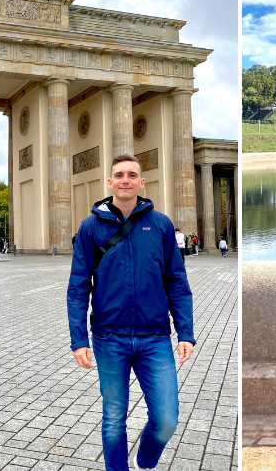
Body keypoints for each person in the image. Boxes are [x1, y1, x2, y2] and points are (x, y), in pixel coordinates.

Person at [67, 155, 195, 471]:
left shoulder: (161, 225)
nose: (126, 179)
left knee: (167, 418)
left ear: (141, 182)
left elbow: (176, 281)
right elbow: (78, 287)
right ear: (109, 182)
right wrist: (78, 338)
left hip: (154, 337)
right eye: (119, 175)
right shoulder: (90, 227)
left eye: (132, 175)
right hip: (109, 337)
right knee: (114, 417)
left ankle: (144, 462)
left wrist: (186, 331)